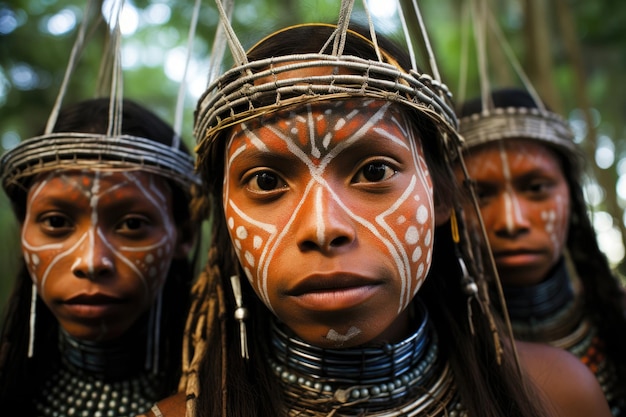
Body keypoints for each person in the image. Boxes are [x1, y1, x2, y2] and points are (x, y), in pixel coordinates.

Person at [143, 23, 612, 417]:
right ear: (224, 217)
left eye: (374, 171)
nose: (323, 227)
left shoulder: (559, 396)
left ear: (442, 194)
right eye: (266, 182)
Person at [0, 97, 200, 416]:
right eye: (55, 222)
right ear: (24, 231)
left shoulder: (228, 397)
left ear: (184, 236)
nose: (92, 261)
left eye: (132, 224)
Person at [455, 87, 626, 415]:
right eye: (479, 194)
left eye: (535, 188)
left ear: (573, 199)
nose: (511, 222)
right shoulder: (433, 355)